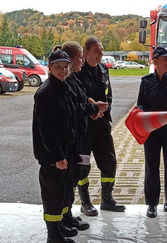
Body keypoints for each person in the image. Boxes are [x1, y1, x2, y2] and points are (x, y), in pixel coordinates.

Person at [54, 42, 108, 229]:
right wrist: (93, 108)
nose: (83, 61)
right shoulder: (64, 82)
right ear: (71, 59)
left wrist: (92, 106)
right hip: (71, 139)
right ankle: (60, 223)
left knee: (71, 180)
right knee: (67, 182)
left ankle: (67, 216)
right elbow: (73, 109)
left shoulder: (73, 78)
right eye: (80, 58)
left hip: (77, 135)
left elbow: (81, 99)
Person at [76, 36, 125, 216]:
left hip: (102, 125)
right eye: (97, 51)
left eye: (102, 50)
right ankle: (85, 201)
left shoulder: (104, 70)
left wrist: (103, 111)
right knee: (83, 165)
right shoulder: (78, 72)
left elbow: (108, 95)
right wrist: (92, 111)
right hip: (84, 127)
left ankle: (107, 199)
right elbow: (78, 99)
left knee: (109, 162)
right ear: (86, 52)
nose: (101, 54)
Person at [33, 50, 77, 243]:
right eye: (58, 67)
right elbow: (46, 129)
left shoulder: (63, 86)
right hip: (52, 155)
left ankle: (59, 226)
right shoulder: (46, 92)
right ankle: (53, 235)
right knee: (53, 194)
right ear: (49, 68)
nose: (63, 70)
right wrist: (57, 156)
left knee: (63, 191)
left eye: (66, 67)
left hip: (64, 150)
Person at [137, 47, 167, 218]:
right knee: (151, 166)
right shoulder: (146, 81)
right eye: (165, 59)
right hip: (151, 129)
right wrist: (140, 113)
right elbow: (140, 105)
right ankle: (151, 204)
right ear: (155, 61)